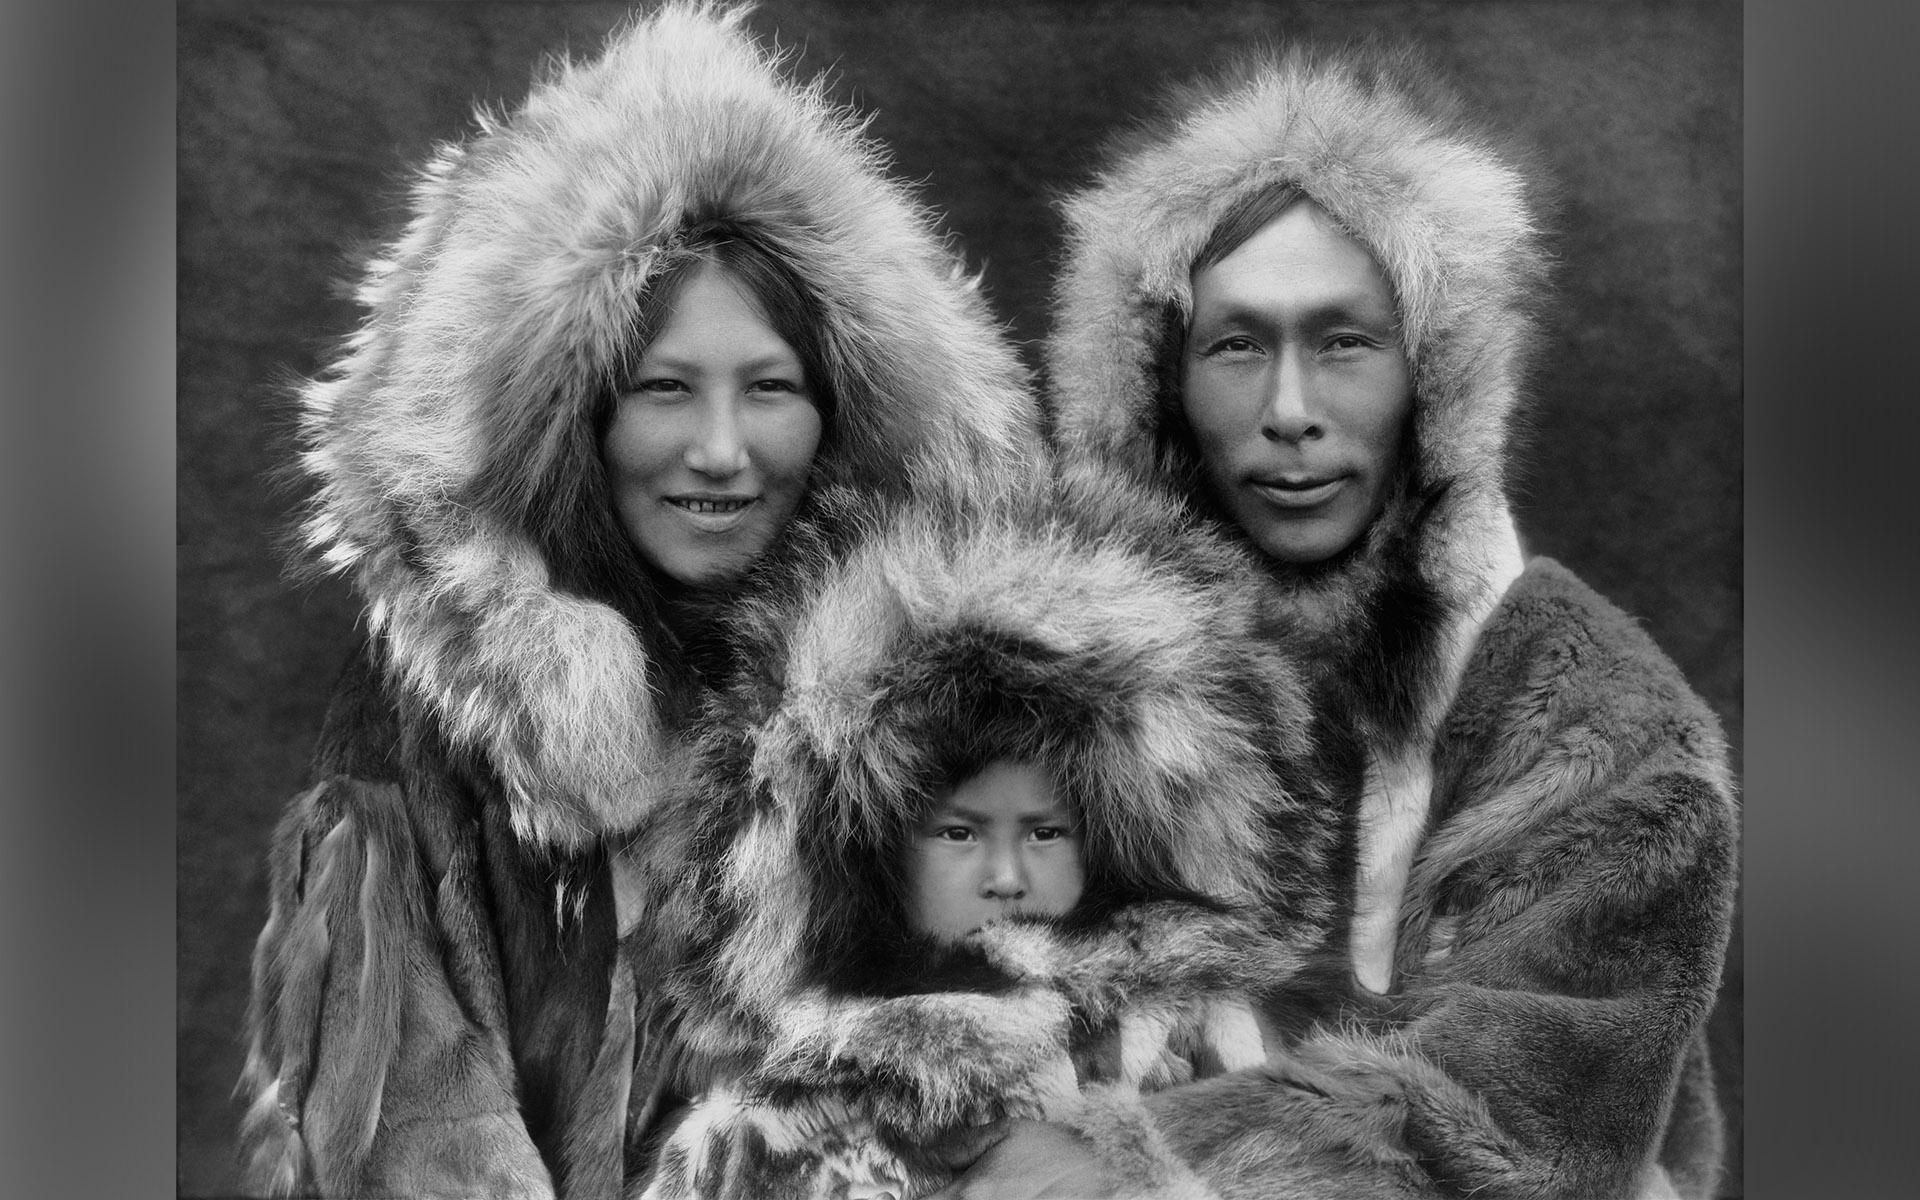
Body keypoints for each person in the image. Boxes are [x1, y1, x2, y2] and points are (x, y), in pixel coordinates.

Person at [237, 5, 1044, 1197]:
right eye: (666, 387)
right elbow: (397, 1124)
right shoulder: (441, 711)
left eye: (769, 387)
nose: (720, 450)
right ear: (582, 420)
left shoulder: (948, 710)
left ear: (840, 415)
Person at [937, 43, 1739, 1200]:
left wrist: (1095, 1166)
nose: (1292, 413)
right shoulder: (1048, 676)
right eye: (1237, 346)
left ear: (1435, 378)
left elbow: (1526, 1121)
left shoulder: (1600, 719)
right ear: (1160, 384)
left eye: (1345, 343)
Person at [621, 479, 1358, 1200]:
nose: (1005, 875)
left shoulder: (1208, 1056)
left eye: (1044, 832)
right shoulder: (764, 1136)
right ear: (874, 861)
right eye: (959, 833)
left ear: (1110, 847)